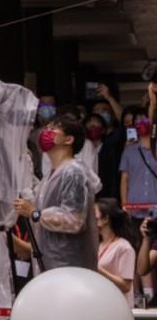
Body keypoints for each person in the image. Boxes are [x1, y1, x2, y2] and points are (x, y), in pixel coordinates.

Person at [18, 111, 100, 272]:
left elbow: (74, 220)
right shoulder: (50, 176)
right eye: (46, 128)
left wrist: (36, 214)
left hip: (69, 264)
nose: (45, 133)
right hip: (50, 262)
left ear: (69, 139)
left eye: (53, 130)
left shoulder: (73, 172)